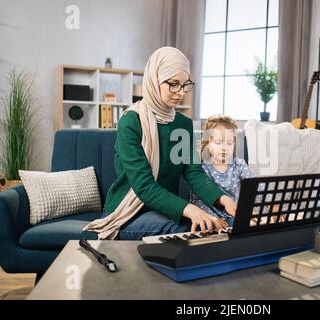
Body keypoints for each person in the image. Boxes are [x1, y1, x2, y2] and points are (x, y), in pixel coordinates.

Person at [83, 47, 237, 240]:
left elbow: (193, 172)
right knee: (198, 230)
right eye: (173, 84)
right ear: (154, 80)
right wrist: (190, 209)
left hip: (166, 211)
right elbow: (144, 186)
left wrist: (224, 200)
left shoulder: (182, 124)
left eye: (185, 84)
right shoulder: (131, 122)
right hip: (128, 214)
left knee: (230, 224)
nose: (180, 92)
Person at [191, 115, 254, 226]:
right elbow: (197, 200)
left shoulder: (239, 164)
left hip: (236, 215)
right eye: (218, 142)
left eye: (229, 143)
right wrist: (213, 219)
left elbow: (255, 186)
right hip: (213, 218)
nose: (224, 147)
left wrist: (271, 204)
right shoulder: (202, 169)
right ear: (208, 143)